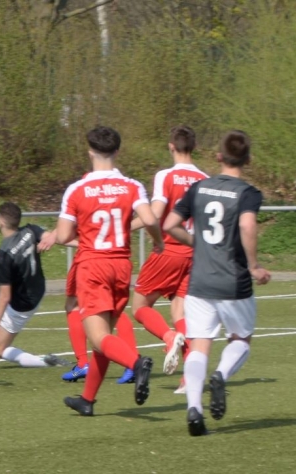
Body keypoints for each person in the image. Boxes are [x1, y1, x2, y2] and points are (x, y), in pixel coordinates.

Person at [162, 130, 269, 436]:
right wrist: (254, 265)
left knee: (199, 345)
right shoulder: (248, 193)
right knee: (240, 339)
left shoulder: (198, 188)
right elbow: (247, 224)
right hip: (233, 280)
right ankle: (220, 375)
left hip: (200, 281)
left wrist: (195, 242)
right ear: (248, 160)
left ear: (219, 156)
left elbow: (170, 224)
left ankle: (194, 409)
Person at [58, 126, 164, 416]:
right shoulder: (132, 186)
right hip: (121, 266)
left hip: (93, 266)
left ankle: (136, 363)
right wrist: (158, 241)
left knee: (98, 337)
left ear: (89, 151)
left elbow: (63, 235)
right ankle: (87, 400)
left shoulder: (77, 189)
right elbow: (150, 218)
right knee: (104, 337)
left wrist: (86, 237)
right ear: (117, 151)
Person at [130, 126, 209, 393]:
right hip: (195, 254)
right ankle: (190, 378)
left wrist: (124, 227)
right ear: (194, 148)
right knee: (179, 312)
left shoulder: (166, 176)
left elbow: (154, 214)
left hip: (169, 251)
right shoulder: (205, 179)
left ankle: (168, 336)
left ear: (171, 146)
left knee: (140, 306)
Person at [0, 202, 70, 368]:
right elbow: (51, 236)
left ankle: (44, 361)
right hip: (38, 289)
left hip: (22, 305)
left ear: (1, 222)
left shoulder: (5, 255)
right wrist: (54, 234)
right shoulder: (30, 230)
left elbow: (5, 297)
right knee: (3, 261)